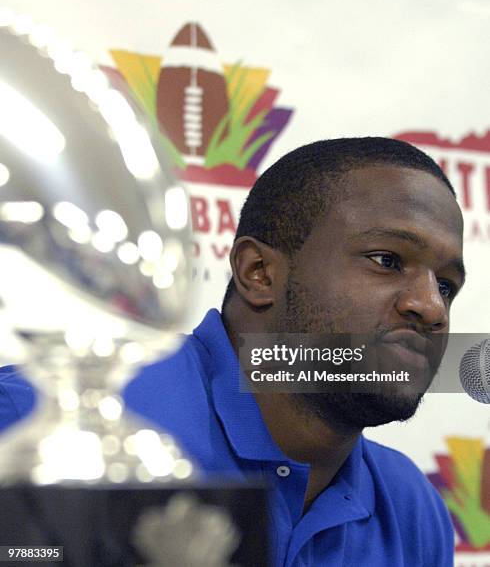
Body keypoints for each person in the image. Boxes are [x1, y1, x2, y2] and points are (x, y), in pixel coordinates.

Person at [0, 137, 464, 566]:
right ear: (259, 272)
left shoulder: (411, 507)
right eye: (387, 260)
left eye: (446, 285)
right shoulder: (40, 420)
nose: (430, 307)